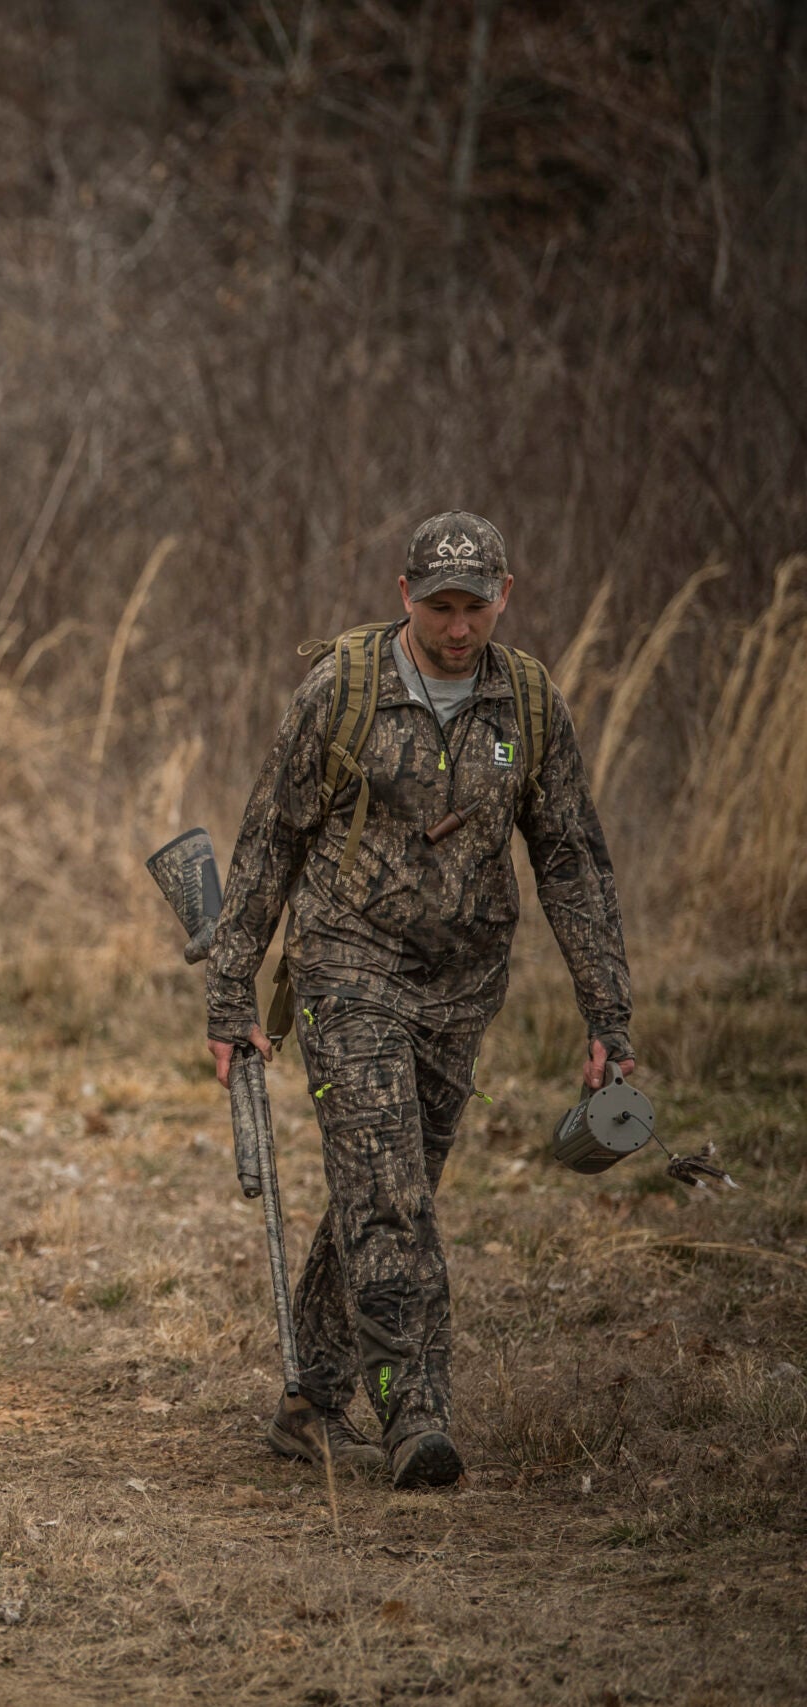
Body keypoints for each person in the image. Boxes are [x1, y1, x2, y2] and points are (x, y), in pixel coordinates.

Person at [207, 511, 635, 1489]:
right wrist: (231, 991)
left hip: (461, 987)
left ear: (504, 596)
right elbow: (268, 841)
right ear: (402, 596)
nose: (455, 627)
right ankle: (417, 1411)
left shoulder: (525, 702)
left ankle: (312, 1399)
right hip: (344, 964)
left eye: (473, 607)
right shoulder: (340, 695)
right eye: (437, 607)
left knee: (386, 1184)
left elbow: (571, 860)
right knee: (387, 1188)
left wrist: (607, 1016)